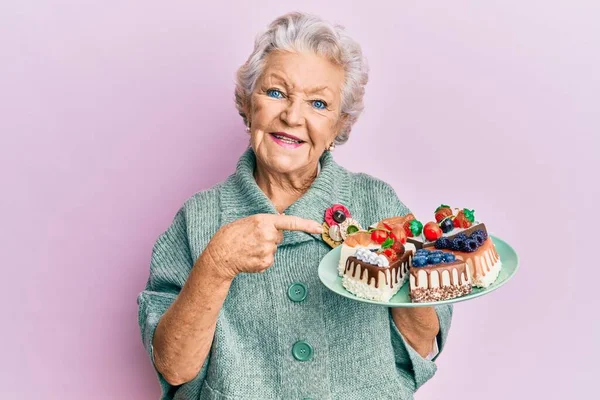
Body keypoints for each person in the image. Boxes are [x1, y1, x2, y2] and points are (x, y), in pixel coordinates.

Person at [137, 11, 452, 400]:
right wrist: (216, 266)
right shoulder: (197, 218)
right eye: (275, 93)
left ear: (339, 126)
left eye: (319, 103)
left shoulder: (378, 204)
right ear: (248, 105)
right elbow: (173, 366)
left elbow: (422, 346)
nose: (292, 115)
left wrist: (399, 264)